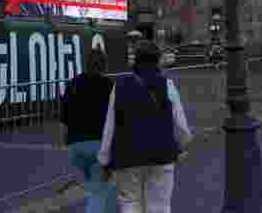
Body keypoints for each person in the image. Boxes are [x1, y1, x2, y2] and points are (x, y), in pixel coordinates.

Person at [98, 40, 192, 213]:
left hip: (127, 158)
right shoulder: (167, 86)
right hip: (161, 155)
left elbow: (110, 127)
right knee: (159, 207)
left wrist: (104, 160)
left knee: (130, 204)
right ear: (157, 61)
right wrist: (182, 146)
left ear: (136, 61)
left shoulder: (119, 87)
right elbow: (181, 125)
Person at [60, 47, 115, 213]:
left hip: (75, 146)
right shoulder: (109, 85)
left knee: (98, 185)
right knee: (98, 192)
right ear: (104, 65)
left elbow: (64, 120)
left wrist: (68, 144)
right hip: (99, 146)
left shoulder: (73, 84)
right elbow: (116, 119)